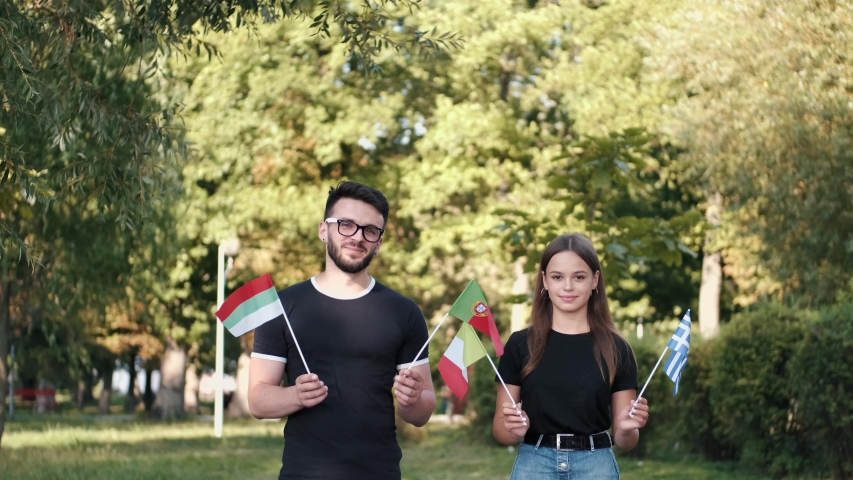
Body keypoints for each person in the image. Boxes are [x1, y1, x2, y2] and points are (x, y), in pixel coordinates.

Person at [248, 181, 436, 480]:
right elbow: (258, 400)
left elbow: (422, 413)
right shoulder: (280, 306)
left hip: (380, 472)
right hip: (303, 473)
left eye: (370, 230)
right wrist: (296, 395)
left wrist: (412, 400)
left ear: (379, 241)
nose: (358, 237)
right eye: (346, 224)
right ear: (324, 230)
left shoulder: (404, 312)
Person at [493, 233, 650, 479]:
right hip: (534, 465)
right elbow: (500, 431)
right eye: (557, 277)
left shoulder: (618, 349)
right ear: (544, 280)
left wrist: (628, 429)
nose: (568, 286)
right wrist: (515, 429)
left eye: (579, 277)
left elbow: (625, 440)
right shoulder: (520, 344)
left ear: (595, 280)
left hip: (596, 466)